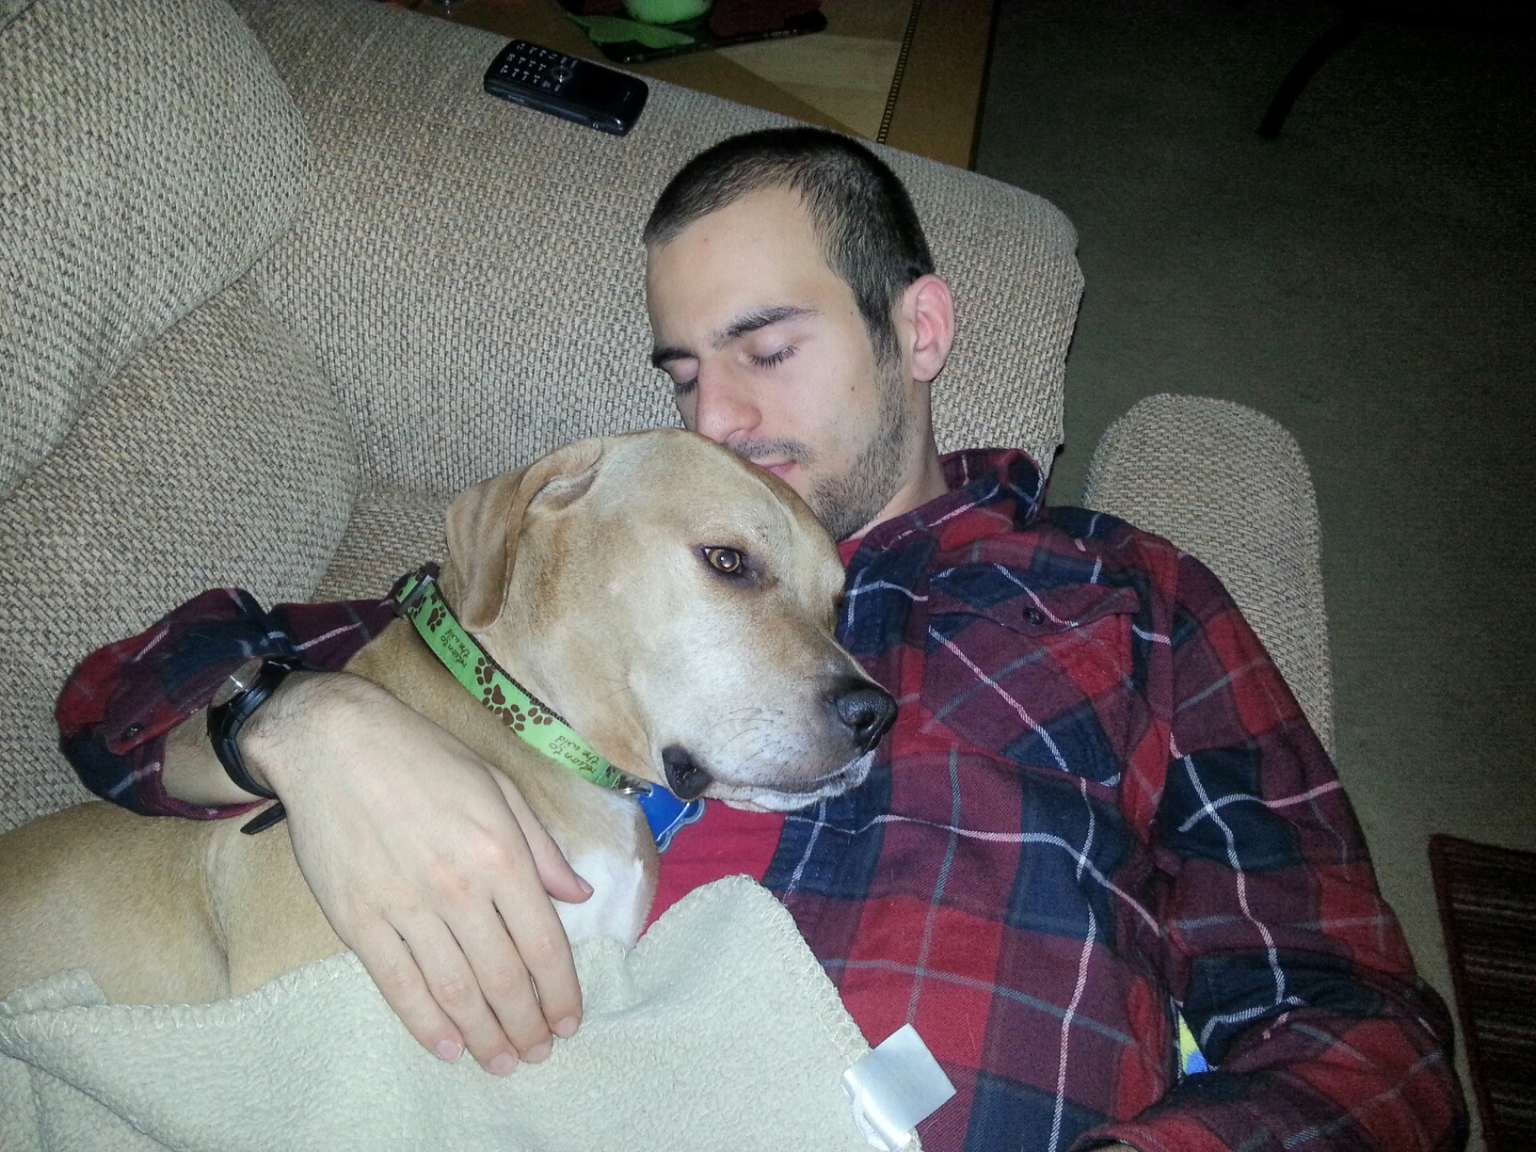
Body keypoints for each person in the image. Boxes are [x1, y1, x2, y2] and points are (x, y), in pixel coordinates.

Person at [56, 128, 1465, 1151]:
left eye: (768, 348)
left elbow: (1366, 1033)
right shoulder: (587, 563)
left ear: (918, 328)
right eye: (684, 374)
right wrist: (306, 724)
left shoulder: (1121, 597)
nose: (718, 419)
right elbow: (117, 701)